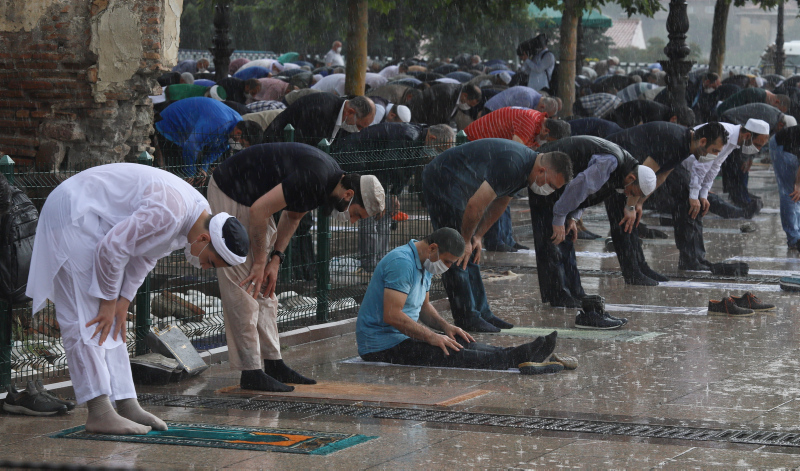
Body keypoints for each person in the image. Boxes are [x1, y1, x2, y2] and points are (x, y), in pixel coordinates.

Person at [26, 163, 249, 435]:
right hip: (74, 213)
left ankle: (126, 403)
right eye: (210, 262)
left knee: (115, 321)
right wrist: (109, 302)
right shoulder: (172, 212)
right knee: (86, 317)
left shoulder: (197, 214)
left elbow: (146, 254)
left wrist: (123, 301)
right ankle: (100, 412)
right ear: (204, 238)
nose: (204, 267)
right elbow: (113, 247)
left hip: (95, 221)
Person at [207, 143, 386, 391]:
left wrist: (275, 260)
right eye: (355, 214)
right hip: (232, 192)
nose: (352, 220)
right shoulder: (316, 177)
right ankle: (251, 372)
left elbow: (293, 216)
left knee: (266, 291)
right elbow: (259, 211)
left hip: (253, 200)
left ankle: (273, 363)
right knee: (244, 287)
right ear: (349, 195)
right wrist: (260, 262)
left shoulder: (327, 183)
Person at [356, 228, 566, 373]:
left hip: (401, 338)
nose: (447, 267)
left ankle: (515, 354)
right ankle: (515, 359)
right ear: (433, 248)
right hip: (380, 347)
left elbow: (424, 307)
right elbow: (392, 315)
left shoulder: (426, 262)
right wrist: (431, 337)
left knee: (459, 342)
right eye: (447, 261)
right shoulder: (402, 263)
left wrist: (445, 327)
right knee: (451, 353)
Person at [422, 138, 573, 332]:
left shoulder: (526, 170)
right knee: (455, 251)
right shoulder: (514, 164)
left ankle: (483, 313)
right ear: (542, 171)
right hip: (442, 179)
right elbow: (475, 205)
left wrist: (478, 237)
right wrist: (466, 240)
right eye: (551, 185)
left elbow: (501, 203)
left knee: (471, 252)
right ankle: (467, 316)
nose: (549, 191)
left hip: (459, 184)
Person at [532, 136, 656, 316]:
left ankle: (575, 291)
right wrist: (559, 216)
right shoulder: (611, 162)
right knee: (552, 237)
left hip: (560, 182)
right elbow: (580, 186)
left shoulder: (623, 169)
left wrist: (572, 217)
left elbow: (588, 195)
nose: (628, 195)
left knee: (565, 235)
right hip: (547, 174)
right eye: (632, 192)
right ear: (631, 178)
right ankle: (557, 294)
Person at [605, 122, 728, 285]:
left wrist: (640, 203)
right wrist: (630, 206)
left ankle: (641, 267)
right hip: (613, 165)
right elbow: (642, 173)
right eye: (714, 151)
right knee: (623, 220)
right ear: (703, 141)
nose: (714, 156)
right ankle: (632, 272)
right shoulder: (676, 141)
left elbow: (661, 176)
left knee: (631, 220)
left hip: (629, 171)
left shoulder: (686, 144)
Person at [336, 123, 455, 272]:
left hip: (373, 171)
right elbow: (386, 167)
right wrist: (382, 197)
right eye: (438, 149)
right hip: (359, 164)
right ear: (432, 138)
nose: (434, 154)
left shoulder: (417, 142)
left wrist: (394, 194)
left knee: (387, 213)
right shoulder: (407, 137)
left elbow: (405, 171)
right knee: (370, 214)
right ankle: (370, 262)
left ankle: (380, 259)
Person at [673, 119, 769, 270]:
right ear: (747, 135)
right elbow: (701, 165)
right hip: (679, 166)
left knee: (698, 210)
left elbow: (715, 166)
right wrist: (694, 195)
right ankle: (689, 260)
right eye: (757, 144)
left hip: (688, 170)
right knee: (689, 211)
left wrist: (703, 194)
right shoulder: (724, 133)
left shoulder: (733, 140)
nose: (757, 149)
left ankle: (697, 258)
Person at [153, 97, 263, 174]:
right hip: (170, 125)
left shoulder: (236, 125)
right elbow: (191, 146)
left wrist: (204, 167)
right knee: (174, 168)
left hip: (191, 130)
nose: (240, 147)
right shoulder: (219, 124)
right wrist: (190, 173)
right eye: (242, 144)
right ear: (239, 133)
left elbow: (220, 148)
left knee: (193, 168)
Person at [719, 103, 793, 211]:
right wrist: (746, 159)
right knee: (737, 163)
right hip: (731, 120)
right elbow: (752, 140)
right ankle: (740, 198)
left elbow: (757, 142)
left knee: (741, 163)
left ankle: (739, 194)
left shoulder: (775, 121)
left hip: (741, 126)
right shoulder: (771, 120)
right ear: (781, 125)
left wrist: (750, 158)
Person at [263, 92, 375, 146]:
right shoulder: (321, 111)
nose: (359, 130)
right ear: (351, 112)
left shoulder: (339, 112)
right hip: (274, 147)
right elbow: (305, 146)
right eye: (359, 126)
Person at [770, 126, 800, 250]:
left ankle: (797, 235)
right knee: (791, 193)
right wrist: (798, 183)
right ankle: (794, 238)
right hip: (784, 147)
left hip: (792, 145)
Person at [408, 83, 482, 127]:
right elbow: (435, 119)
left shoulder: (457, 96)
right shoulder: (447, 95)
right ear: (465, 95)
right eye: (469, 105)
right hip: (413, 117)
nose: (468, 107)